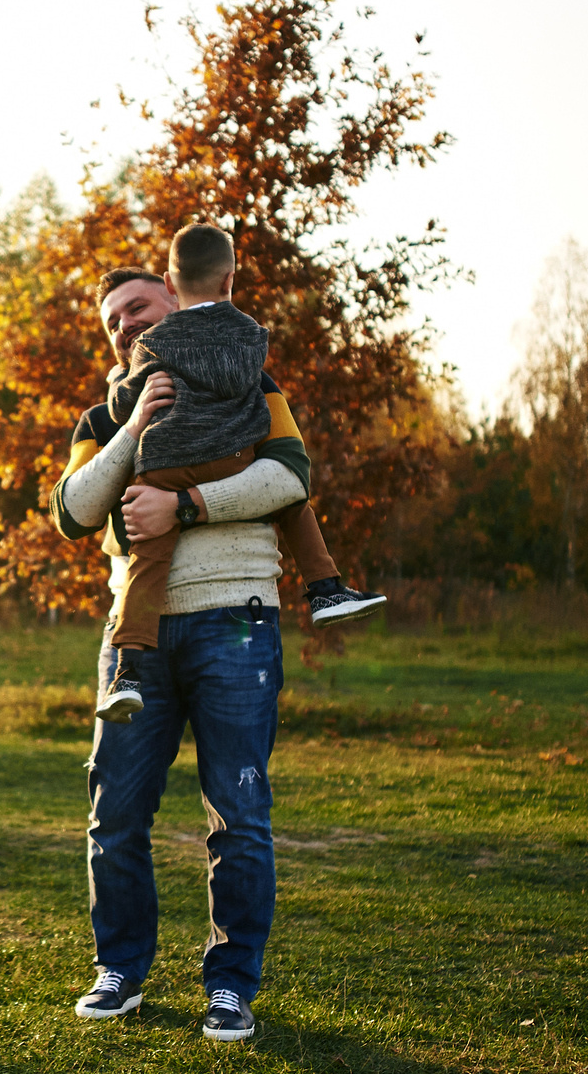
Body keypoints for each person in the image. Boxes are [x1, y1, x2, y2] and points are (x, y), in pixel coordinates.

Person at [49, 243, 382, 1042]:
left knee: (239, 811)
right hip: (136, 638)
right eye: (113, 318)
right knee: (115, 811)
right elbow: (73, 509)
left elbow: (290, 475)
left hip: (237, 616)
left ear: (174, 298)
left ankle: (231, 985)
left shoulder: (250, 381)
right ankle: (121, 969)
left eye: (139, 306)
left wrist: (186, 506)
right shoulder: (100, 418)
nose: (126, 322)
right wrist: (134, 426)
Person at [93, 224, 386, 722]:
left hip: (165, 464)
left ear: (169, 282)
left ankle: (128, 670)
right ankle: (324, 588)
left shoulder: (155, 344)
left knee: (148, 561)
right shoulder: (252, 336)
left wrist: (122, 383)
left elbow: (125, 407)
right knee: (289, 501)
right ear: (230, 280)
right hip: (233, 457)